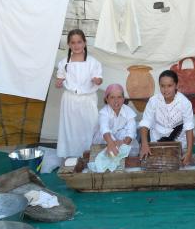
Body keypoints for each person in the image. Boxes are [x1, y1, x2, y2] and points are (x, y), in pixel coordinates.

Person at [55, 29, 102, 158]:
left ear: (85, 43)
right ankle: (71, 155)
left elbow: (99, 79)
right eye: (73, 43)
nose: (76, 46)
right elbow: (60, 79)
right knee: (71, 129)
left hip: (87, 100)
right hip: (70, 100)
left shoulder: (93, 62)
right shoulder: (64, 63)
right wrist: (58, 83)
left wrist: (97, 80)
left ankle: (89, 155)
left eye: (79, 42)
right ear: (69, 45)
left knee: (90, 126)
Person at [139, 70, 194, 166]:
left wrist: (189, 153)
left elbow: (189, 128)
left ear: (176, 86)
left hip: (179, 142)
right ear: (159, 86)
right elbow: (145, 123)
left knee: (176, 167)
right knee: (157, 166)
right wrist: (144, 144)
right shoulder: (153, 101)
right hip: (156, 140)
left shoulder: (184, 103)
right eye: (162, 86)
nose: (165, 89)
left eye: (169, 86)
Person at [92, 84, 139, 157]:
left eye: (119, 97)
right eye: (112, 97)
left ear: (123, 99)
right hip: (104, 140)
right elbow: (104, 129)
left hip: (120, 141)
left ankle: (122, 157)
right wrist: (111, 143)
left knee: (126, 134)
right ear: (107, 99)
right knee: (106, 135)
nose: (116, 101)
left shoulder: (129, 112)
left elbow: (131, 131)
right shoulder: (104, 113)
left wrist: (123, 144)